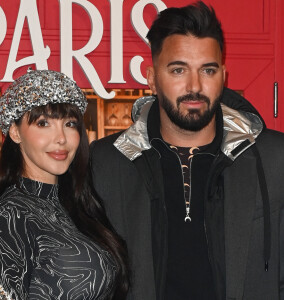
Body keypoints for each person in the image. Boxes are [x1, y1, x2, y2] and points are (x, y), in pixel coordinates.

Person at [90, 1, 284, 300]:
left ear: (223, 75)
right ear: (152, 77)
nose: (194, 86)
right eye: (178, 69)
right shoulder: (104, 162)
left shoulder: (274, 157)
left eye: (207, 70)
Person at [0, 69, 130, 299]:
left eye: (70, 124)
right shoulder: (12, 214)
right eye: (43, 123)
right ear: (15, 132)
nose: (61, 138)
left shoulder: (76, 203)